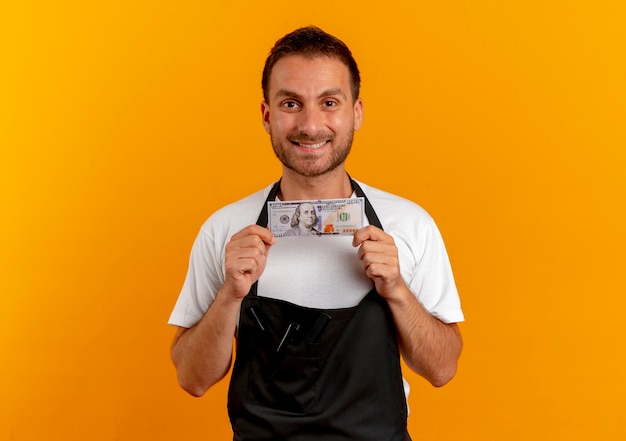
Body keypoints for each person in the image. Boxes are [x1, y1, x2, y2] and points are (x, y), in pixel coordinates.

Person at [169, 26, 464, 441]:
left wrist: (396, 287)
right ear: (267, 115)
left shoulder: (410, 225)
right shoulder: (225, 229)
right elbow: (192, 378)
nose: (310, 125)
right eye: (291, 103)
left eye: (329, 102)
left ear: (356, 112)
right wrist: (229, 295)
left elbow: (443, 369)